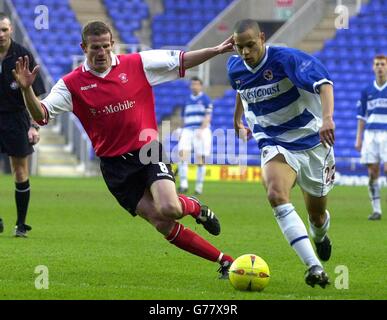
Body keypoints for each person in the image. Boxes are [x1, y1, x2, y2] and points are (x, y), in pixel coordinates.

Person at [13, 21, 234, 277]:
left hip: (147, 150)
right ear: (84, 47)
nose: (101, 52)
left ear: (112, 45)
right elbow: (41, 115)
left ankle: (194, 206)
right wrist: (27, 89)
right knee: (161, 222)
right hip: (115, 166)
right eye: (95, 47)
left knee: (170, 208)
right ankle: (224, 260)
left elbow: (181, 60)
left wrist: (217, 50)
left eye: (106, 46)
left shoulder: (138, 63)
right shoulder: (71, 84)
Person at [228, 19, 335, 288]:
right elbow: (241, 90)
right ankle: (314, 267)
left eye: (250, 45)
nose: (245, 53)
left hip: (311, 142)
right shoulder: (235, 67)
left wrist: (328, 119)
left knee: (317, 216)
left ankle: (320, 236)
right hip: (274, 141)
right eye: (240, 48)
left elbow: (324, 84)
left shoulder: (286, 59)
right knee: (276, 194)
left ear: (262, 38)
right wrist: (237, 118)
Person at [0, 13, 45, 237]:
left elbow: (37, 95)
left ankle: (20, 224)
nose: (0, 34)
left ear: (11, 31)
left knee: (20, 171)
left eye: (4, 30)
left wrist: (34, 127)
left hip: (16, 119)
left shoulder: (22, 55)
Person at [355, 54, 387, 221]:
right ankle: (377, 210)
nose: (380, 67)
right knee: (372, 172)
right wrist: (358, 138)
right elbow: (361, 116)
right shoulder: (366, 90)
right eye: (377, 64)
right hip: (370, 134)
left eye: (382, 64)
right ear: (373, 68)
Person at [177, 76, 213, 195]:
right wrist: (181, 130)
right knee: (182, 155)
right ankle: (183, 185)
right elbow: (183, 118)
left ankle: (199, 187)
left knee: (200, 159)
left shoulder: (206, 99)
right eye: (192, 84)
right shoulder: (186, 100)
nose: (194, 86)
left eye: (197, 84)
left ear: (200, 86)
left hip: (201, 130)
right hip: (187, 130)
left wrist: (201, 129)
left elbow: (208, 117)